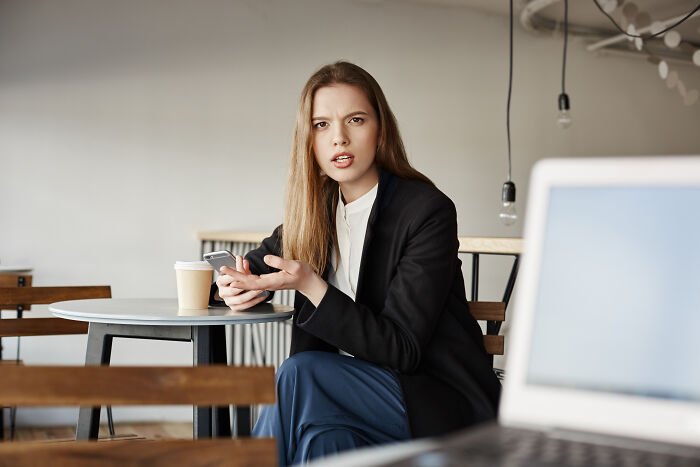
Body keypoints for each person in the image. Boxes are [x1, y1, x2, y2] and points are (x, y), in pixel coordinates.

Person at [213, 61, 501, 466]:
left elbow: (403, 350)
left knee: (300, 373)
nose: (340, 138)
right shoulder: (310, 217)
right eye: (322, 125)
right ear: (308, 141)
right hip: (340, 403)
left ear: (379, 129)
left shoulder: (426, 212)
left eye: (355, 120)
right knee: (323, 441)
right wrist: (231, 288)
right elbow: (249, 269)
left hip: (432, 400)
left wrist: (313, 286)